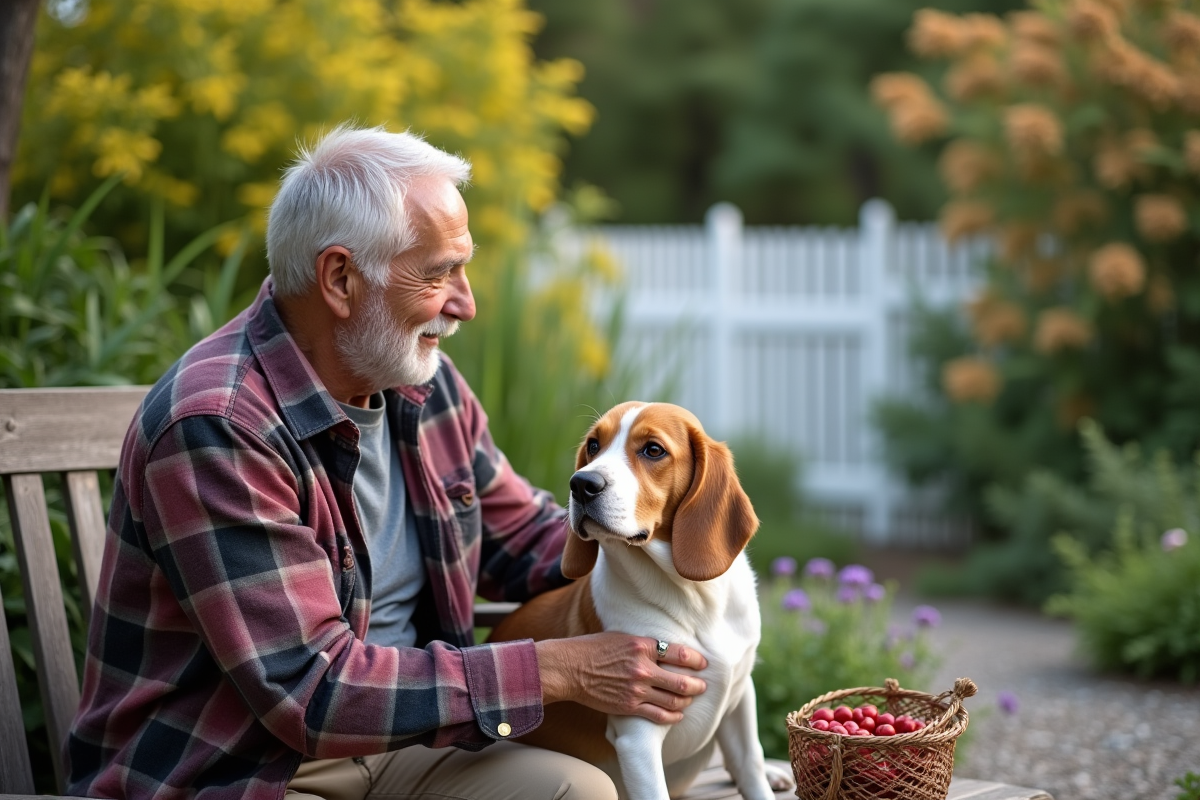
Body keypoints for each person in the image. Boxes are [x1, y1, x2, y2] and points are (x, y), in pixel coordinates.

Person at [64, 125, 708, 800]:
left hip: (410, 745)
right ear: (340, 279)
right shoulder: (218, 428)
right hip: (248, 770)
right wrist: (559, 668)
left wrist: (681, 552)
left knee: (579, 793)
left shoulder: (422, 385)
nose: (466, 302)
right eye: (438, 273)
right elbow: (310, 692)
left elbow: (526, 540)